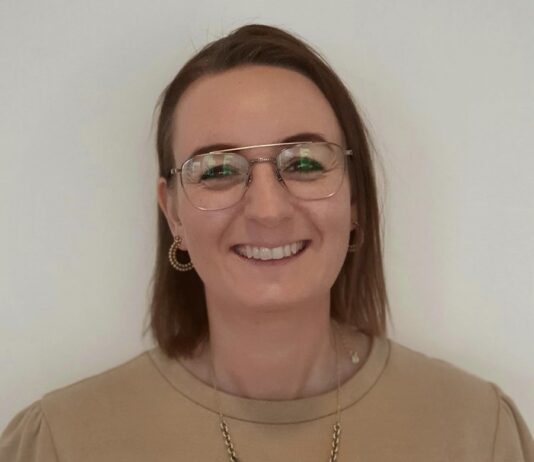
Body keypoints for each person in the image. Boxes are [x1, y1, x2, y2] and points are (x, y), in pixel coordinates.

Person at [0, 24, 532, 462]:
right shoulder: (61, 443)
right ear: (173, 212)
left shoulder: (476, 431)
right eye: (217, 170)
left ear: (355, 201)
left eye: (304, 163)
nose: (268, 209)